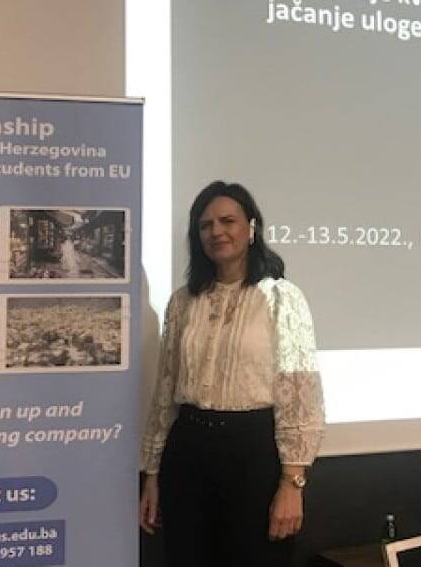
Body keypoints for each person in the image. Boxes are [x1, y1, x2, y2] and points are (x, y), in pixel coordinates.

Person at [139, 181, 325, 567]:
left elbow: (301, 394)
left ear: (251, 228)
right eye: (205, 225)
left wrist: (292, 484)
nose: (216, 232)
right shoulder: (182, 302)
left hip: (253, 454)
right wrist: (152, 474)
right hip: (187, 451)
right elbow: (165, 390)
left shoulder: (281, 298)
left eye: (227, 221)